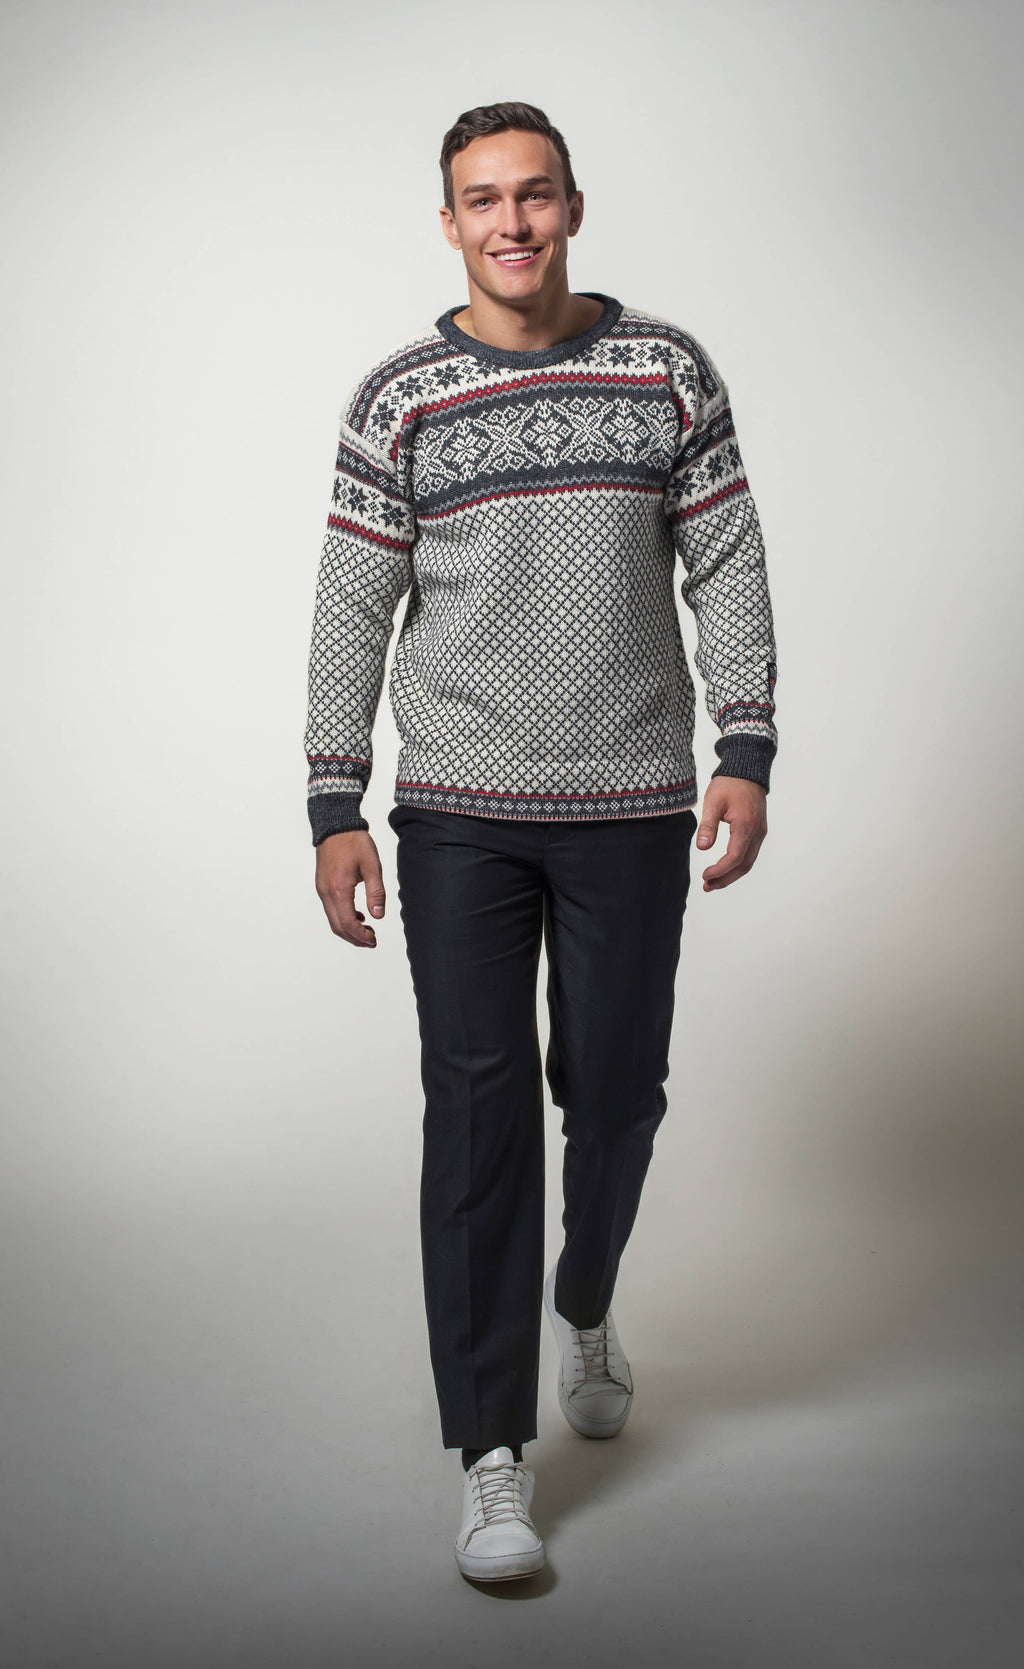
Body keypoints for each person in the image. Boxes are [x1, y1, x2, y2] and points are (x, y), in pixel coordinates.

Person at [303, 101, 778, 1583]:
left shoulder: (666, 370)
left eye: (534, 195)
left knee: (618, 1094)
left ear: (574, 206)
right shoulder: (400, 399)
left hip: (631, 800)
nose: (510, 223)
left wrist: (745, 746)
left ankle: (586, 1299)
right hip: (459, 814)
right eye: (482, 200)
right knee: (480, 1111)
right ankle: (491, 1449)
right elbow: (351, 602)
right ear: (447, 222)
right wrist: (334, 801)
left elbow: (727, 559)